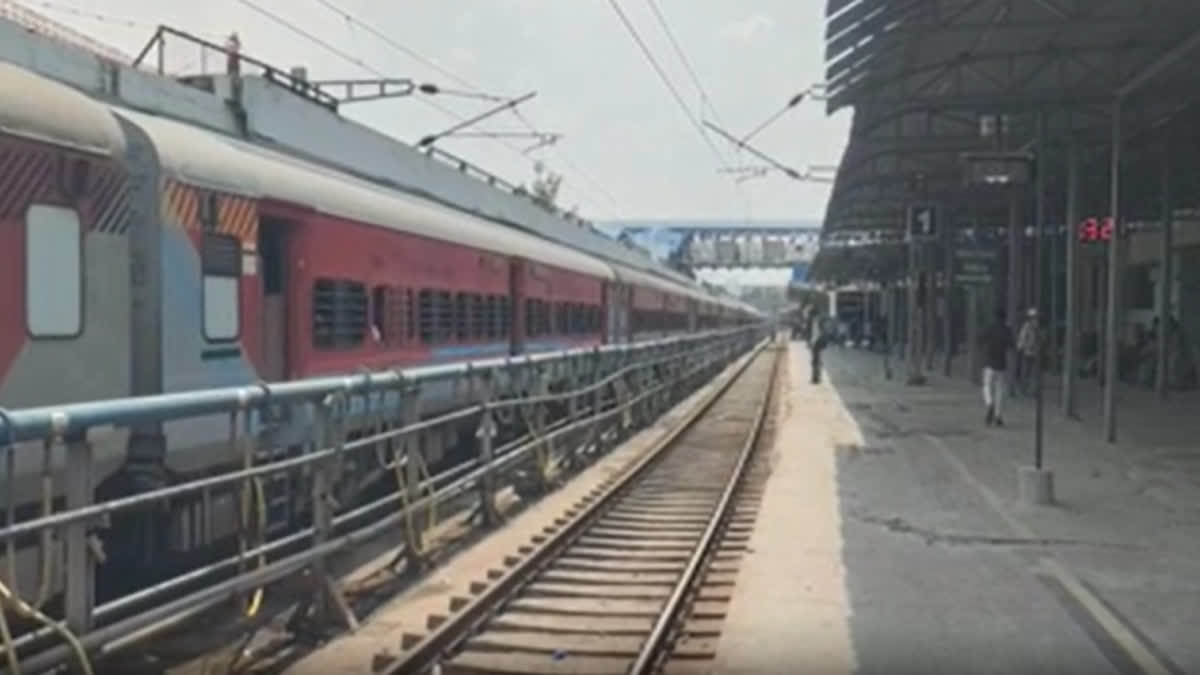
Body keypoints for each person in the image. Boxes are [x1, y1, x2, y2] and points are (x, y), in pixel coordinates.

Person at [981, 308, 1014, 426]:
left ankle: (989, 403)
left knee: (987, 386)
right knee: (1000, 390)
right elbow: (1011, 345)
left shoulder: (989, 327)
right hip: (1001, 363)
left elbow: (981, 339)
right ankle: (998, 416)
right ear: (1005, 318)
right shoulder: (1006, 329)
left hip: (989, 362)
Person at [1015, 308, 1039, 395]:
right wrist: (1021, 348)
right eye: (1033, 317)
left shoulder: (1037, 326)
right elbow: (1022, 339)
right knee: (1027, 372)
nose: (1034, 319)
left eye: (1035, 317)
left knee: (1034, 373)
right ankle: (1024, 389)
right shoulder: (1026, 327)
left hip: (1035, 352)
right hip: (1027, 352)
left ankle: (1034, 390)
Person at [810, 313, 829, 384]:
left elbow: (816, 334)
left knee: (816, 361)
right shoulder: (817, 322)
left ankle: (816, 378)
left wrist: (812, 343)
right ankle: (816, 377)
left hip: (817, 344)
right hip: (818, 344)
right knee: (816, 361)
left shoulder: (816, 323)